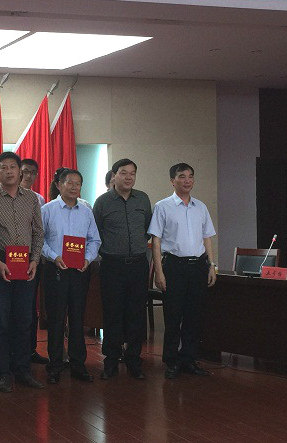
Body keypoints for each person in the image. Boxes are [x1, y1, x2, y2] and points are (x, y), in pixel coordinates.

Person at [0, 151, 45, 392]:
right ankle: (2, 371)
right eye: (3, 167)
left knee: (24, 318)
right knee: (0, 319)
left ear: (19, 171)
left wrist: (35, 260)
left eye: (12, 167)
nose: (8, 171)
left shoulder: (32, 199)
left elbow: (38, 232)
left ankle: (22, 369)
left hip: (26, 263)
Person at [148, 163, 216, 379]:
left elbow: (207, 238)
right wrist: (159, 273)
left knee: (193, 316)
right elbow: (156, 242)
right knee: (173, 315)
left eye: (190, 176)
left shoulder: (200, 207)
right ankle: (171, 361)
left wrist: (212, 265)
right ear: (172, 181)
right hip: (174, 267)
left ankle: (189, 359)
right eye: (182, 176)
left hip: (198, 267)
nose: (187, 181)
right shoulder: (163, 206)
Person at [92, 158, 152, 380]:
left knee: (136, 313)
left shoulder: (143, 199)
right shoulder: (102, 202)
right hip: (112, 266)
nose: (128, 177)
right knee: (113, 313)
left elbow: (147, 229)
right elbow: (95, 232)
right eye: (124, 173)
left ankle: (134, 359)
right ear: (114, 175)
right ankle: (111, 361)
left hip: (138, 264)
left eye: (132, 173)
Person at [41, 169, 101, 384]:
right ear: (59, 185)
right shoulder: (47, 210)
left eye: (78, 183)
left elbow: (94, 240)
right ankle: (55, 365)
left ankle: (78, 365)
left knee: (77, 319)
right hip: (55, 270)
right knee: (56, 319)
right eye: (70, 183)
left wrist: (88, 259)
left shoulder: (86, 211)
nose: (74, 187)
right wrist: (54, 256)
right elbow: (39, 240)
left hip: (79, 272)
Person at [19, 158, 49, 366]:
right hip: (9, 257)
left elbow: (40, 231)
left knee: (30, 307)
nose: (28, 176)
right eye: (25, 171)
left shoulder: (39, 199)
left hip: (31, 258)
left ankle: (29, 350)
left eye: (33, 172)